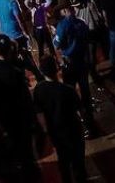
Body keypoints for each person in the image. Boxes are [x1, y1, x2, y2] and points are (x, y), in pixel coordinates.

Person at [0, 35, 39, 180]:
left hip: (3, 121)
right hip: (20, 119)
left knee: (13, 156)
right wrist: (34, 122)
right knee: (27, 156)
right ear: (9, 50)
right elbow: (26, 100)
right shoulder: (15, 72)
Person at [33, 55, 88, 183]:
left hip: (56, 133)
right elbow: (81, 110)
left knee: (63, 162)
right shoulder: (68, 90)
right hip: (73, 130)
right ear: (56, 69)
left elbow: (40, 115)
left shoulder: (39, 90)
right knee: (78, 162)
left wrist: (46, 132)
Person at [52, 0, 95, 125]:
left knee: (70, 91)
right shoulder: (81, 23)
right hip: (82, 60)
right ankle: (90, 118)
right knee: (85, 90)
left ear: (65, 10)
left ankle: (78, 119)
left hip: (69, 63)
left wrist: (54, 36)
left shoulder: (63, 25)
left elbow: (57, 44)